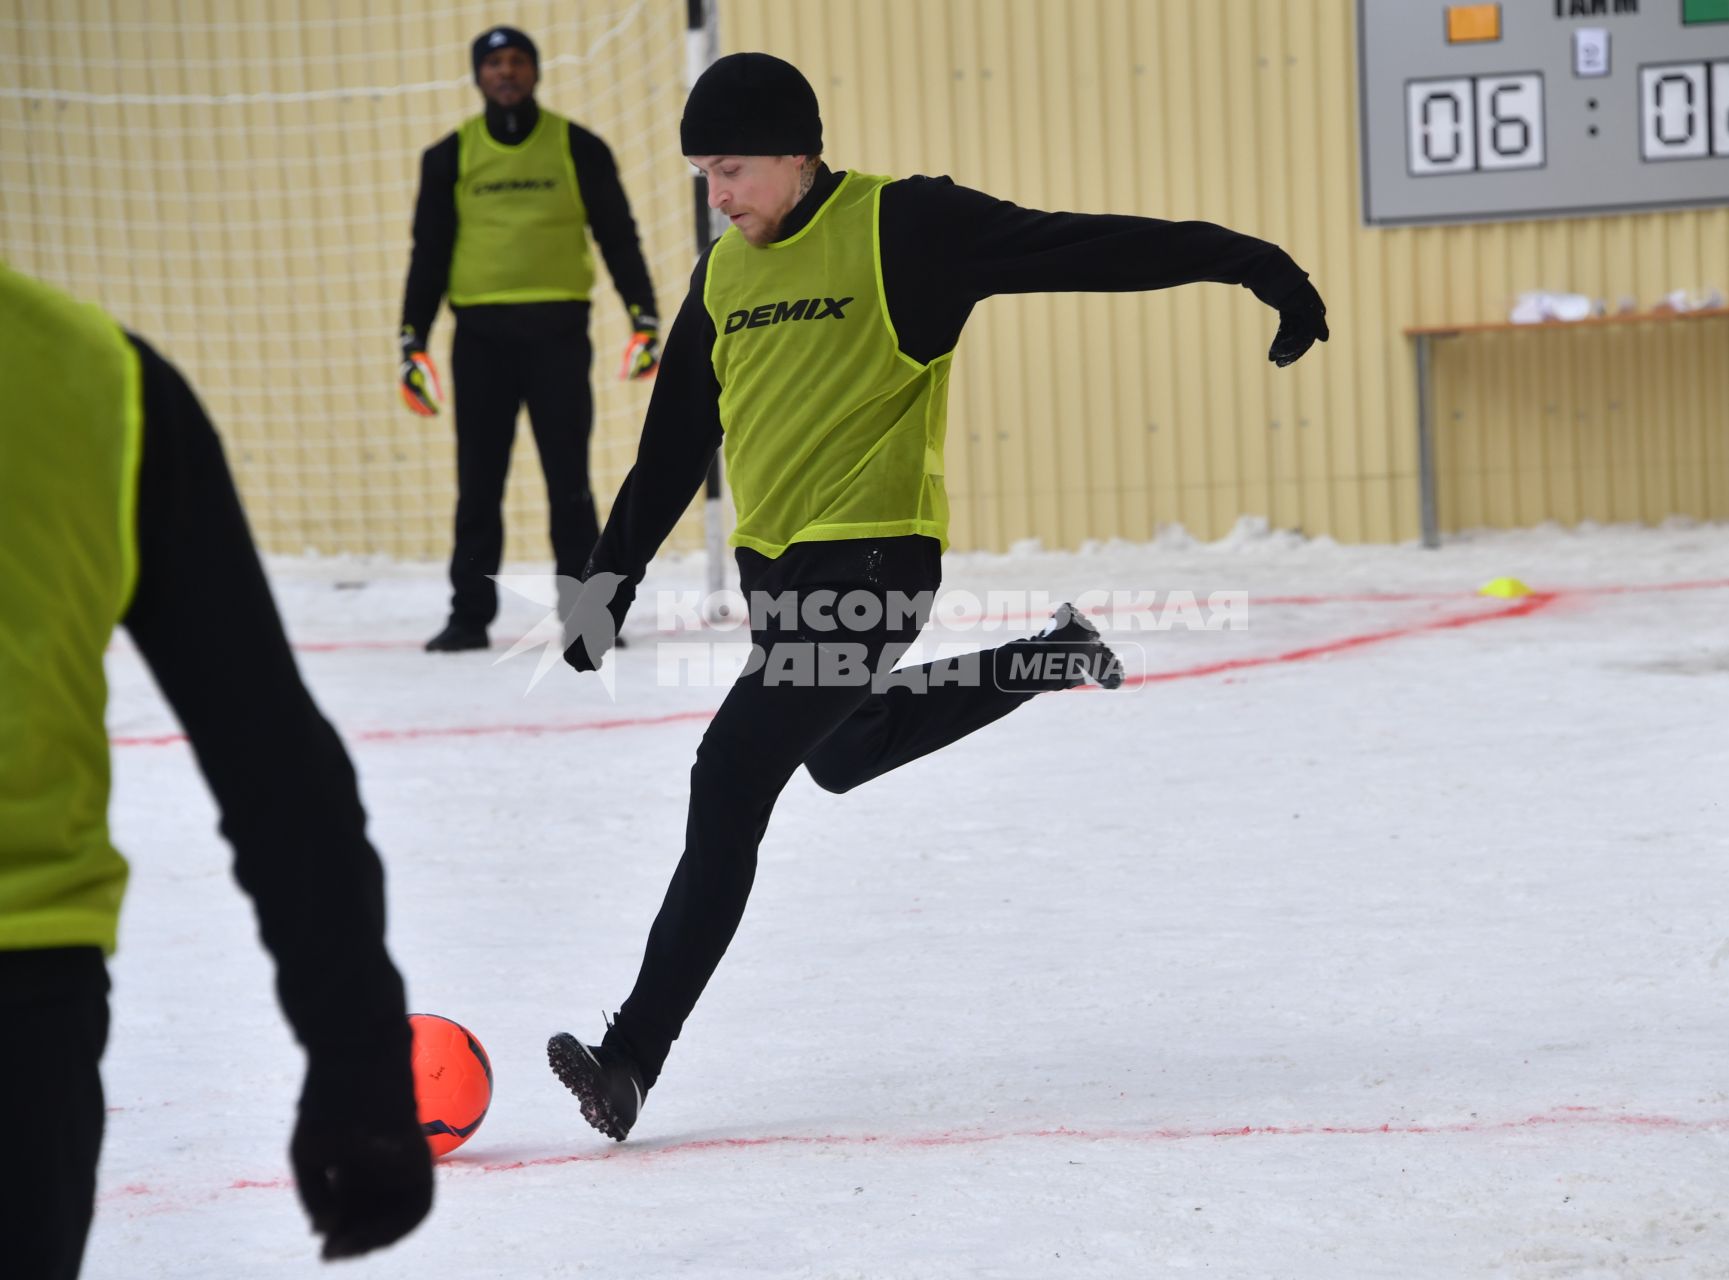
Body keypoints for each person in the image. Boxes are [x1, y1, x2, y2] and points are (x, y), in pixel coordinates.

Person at [546, 53, 1329, 1142]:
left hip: (873, 563)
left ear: (794, 150)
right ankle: (1051, 655)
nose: (715, 196)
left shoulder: (902, 227)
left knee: (728, 773)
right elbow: (676, 438)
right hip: (782, 576)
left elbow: (1084, 244)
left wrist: (1254, 264)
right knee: (841, 748)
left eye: (729, 170)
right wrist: (603, 584)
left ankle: (632, 1053)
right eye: (702, 176)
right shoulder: (723, 275)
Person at [0, 264, 433, 1275]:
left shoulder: (102, 380)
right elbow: (274, 761)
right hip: (26, 1013)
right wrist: (357, 1058)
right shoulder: (93, 376)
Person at [400, 25, 662, 653]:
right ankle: (468, 617)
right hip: (480, 339)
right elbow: (428, 254)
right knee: (478, 482)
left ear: (536, 71)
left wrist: (644, 317)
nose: (507, 72)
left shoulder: (579, 148)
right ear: (478, 75)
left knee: (569, 481)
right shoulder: (448, 156)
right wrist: (412, 341)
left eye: (518, 60)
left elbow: (618, 236)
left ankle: (587, 616)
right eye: (494, 63)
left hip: (558, 336)